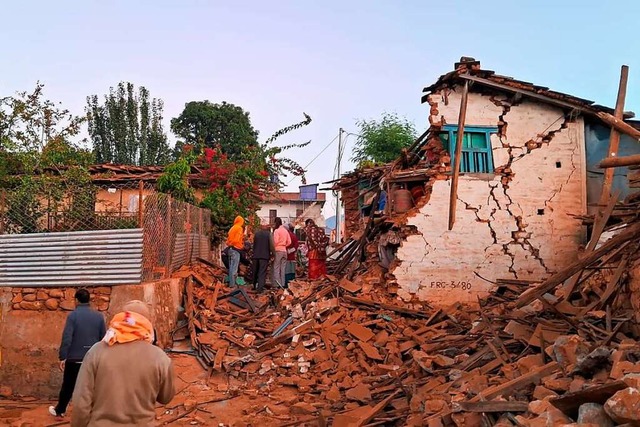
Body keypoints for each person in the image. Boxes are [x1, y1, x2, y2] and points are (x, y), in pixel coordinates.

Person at [71, 300, 175, 427]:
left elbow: (81, 401)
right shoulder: (160, 358)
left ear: (120, 319)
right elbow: (165, 397)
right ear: (147, 324)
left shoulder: (96, 351)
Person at [49, 289, 105, 419]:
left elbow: (67, 338)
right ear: (89, 300)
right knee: (93, 387)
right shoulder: (98, 316)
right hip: (92, 358)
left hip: (74, 359)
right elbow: (103, 338)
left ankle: (60, 410)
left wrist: (63, 357)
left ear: (76, 300)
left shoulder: (73, 316)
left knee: (68, 385)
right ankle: (94, 412)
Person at [251, 220, 274, 292]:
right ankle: (260, 288)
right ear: (266, 226)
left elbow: (254, 245)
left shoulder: (256, 234)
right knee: (262, 272)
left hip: (256, 255)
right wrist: (273, 253)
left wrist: (253, 253)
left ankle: (254, 285)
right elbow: (271, 245)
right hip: (264, 256)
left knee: (255, 271)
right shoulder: (269, 234)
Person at [226, 216, 245, 287]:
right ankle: (233, 286)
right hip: (236, 249)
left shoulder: (232, 228)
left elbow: (227, 241)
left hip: (230, 249)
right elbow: (237, 239)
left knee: (231, 268)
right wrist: (241, 246)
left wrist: (230, 244)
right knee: (234, 268)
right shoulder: (239, 228)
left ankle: (231, 284)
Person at [272, 217, 291, 288]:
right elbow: (289, 242)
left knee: (276, 268)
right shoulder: (285, 231)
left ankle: (277, 284)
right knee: (283, 268)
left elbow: (275, 242)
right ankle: (283, 284)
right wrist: (284, 245)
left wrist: (275, 247)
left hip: (278, 251)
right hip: (284, 251)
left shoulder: (277, 231)